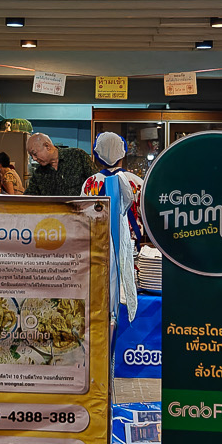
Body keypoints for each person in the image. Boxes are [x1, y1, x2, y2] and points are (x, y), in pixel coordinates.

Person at [82, 132, 145, 320]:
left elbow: (83, 218)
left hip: (98, 251)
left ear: (96, 155)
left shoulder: (90, 183)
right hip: (133, 253)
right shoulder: (136, 182)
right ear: (123, 153)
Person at [23, 132, 94, 196]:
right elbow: (28, 198)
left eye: (35, 154)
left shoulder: (78, 156)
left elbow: (97, 181)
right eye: (31, 156)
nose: (34, 158)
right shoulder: (38, 174)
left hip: (82, 206)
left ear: (47, 146)